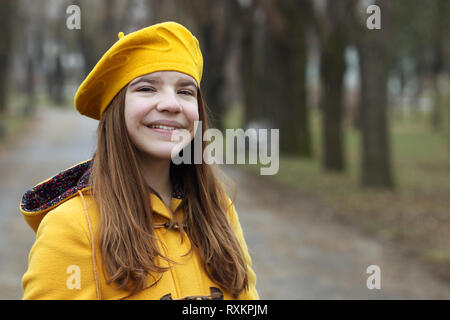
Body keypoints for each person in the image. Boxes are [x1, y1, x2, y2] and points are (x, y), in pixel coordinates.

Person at [19, 21, 259, 300]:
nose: (171, 104)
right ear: (116, 108)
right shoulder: (72, 226)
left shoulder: (218, 208)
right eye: (147, 89)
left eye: (185, 91)